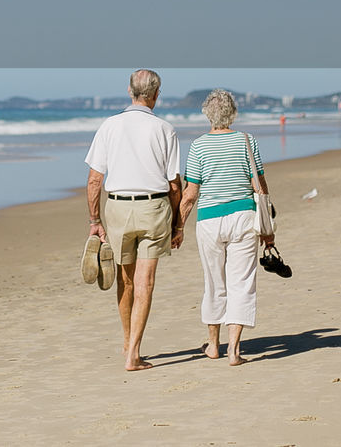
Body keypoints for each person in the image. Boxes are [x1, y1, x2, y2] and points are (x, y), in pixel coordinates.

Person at [85, 69, 181, 372]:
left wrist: (94, 220)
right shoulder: (165, 129)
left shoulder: (109, 126)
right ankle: (133, 354)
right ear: (156, 95)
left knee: (125, 280)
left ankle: (128, 342)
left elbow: (94, 180)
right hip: (154, 208)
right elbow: (174, 184)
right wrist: (177, 223)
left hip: (117, 208)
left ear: (130, 91)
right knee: (145, 282)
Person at [173, 89, 274, 367]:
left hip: (209, 220)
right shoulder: (246, 141)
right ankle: (234, 351)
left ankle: (214, 346)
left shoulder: (199, 146)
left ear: (207, 114)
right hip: (243, 216)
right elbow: (259, 186)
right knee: (241, 283)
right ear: (232, 114)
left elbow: (191, 193)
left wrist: (178, 226)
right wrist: (268, 224)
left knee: (214, 282)